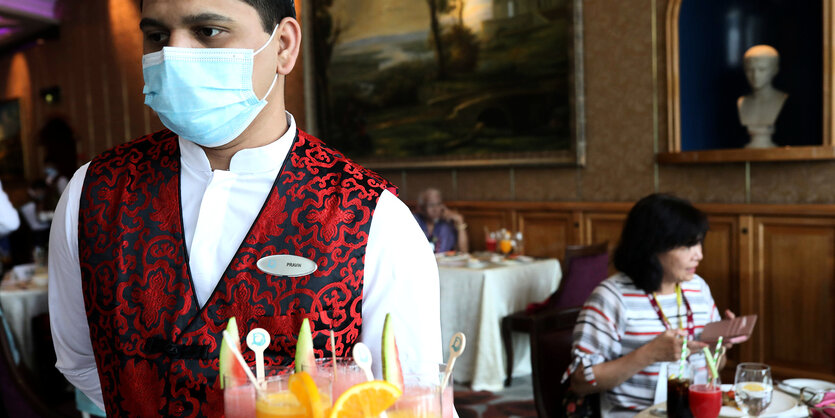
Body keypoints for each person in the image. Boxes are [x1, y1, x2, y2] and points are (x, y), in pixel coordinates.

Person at [48, 1, 442, 416]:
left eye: (207, 31)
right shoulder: (92, 192)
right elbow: (81, 361)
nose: (174, 55)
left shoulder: (371, 214)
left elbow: (409, 400)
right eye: (158, 36)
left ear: (284, 46)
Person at [567, 194, 735, 416]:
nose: (699, 255)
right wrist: (649, 354)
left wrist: (717, 348)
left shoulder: (697, 288)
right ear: (653, 246)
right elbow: (580, 380)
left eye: (698, 243)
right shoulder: (611, 297)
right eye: (687, 246)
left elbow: (716, 366)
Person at [737, 44, 787, 149]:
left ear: (774, 70)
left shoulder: (782, 100)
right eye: (750, 70)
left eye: (762, 69)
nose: (755, 75)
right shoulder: (742, 103)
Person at [413, 188, 469, 253]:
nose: (435, 209)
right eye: (431, 205)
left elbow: (464, 252)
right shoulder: (413, 221)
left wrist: (460, 221)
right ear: (421, 208)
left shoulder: (447, 224)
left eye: (438, 204)